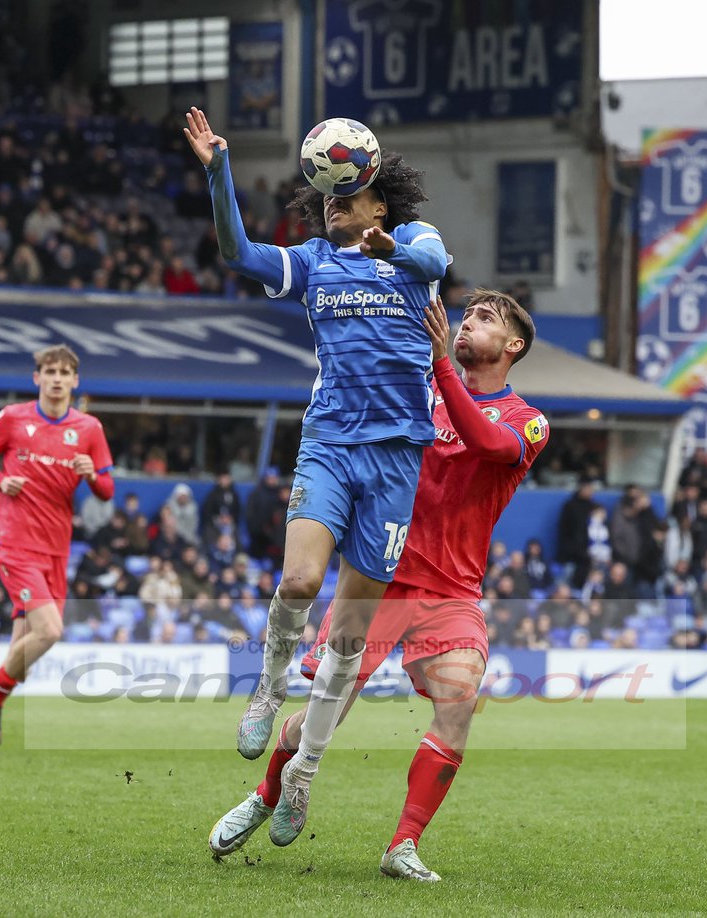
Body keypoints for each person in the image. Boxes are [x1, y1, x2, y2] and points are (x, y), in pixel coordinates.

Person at [208, 292, 546, 880]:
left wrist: (440, 363)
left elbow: (488, 445)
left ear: (513, 346)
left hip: (451, 591)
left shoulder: (525, 419)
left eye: (485, 319)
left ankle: (403, 846)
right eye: (466, 314)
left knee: (460, 702)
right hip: (379, 576)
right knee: (324, 714)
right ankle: (267, 795)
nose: (468, 322)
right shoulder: (418, 389)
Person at [186, 107, 450, 832]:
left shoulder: (414, 241)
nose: (332, 203)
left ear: (375, 197)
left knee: (347, 642)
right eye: (325, 196)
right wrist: (219, 173)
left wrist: (391, 246)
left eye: (345, 195)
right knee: (300, 580)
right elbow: (237, 252)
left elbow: (434, 266)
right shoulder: (314, 263)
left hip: (398, 457)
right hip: (331, 442)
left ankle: (303, 772)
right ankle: (267, 690)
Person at [0, 345, 115, 755]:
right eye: (50, 370)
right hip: (15, 542)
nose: (57, 378)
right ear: (37, 377)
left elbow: (107, 489)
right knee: (50, 631)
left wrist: (91, 476)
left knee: (21, 650)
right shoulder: (13, 417)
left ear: (75, 380)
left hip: (57, 549)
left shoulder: (89, 428)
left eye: (65, 372)